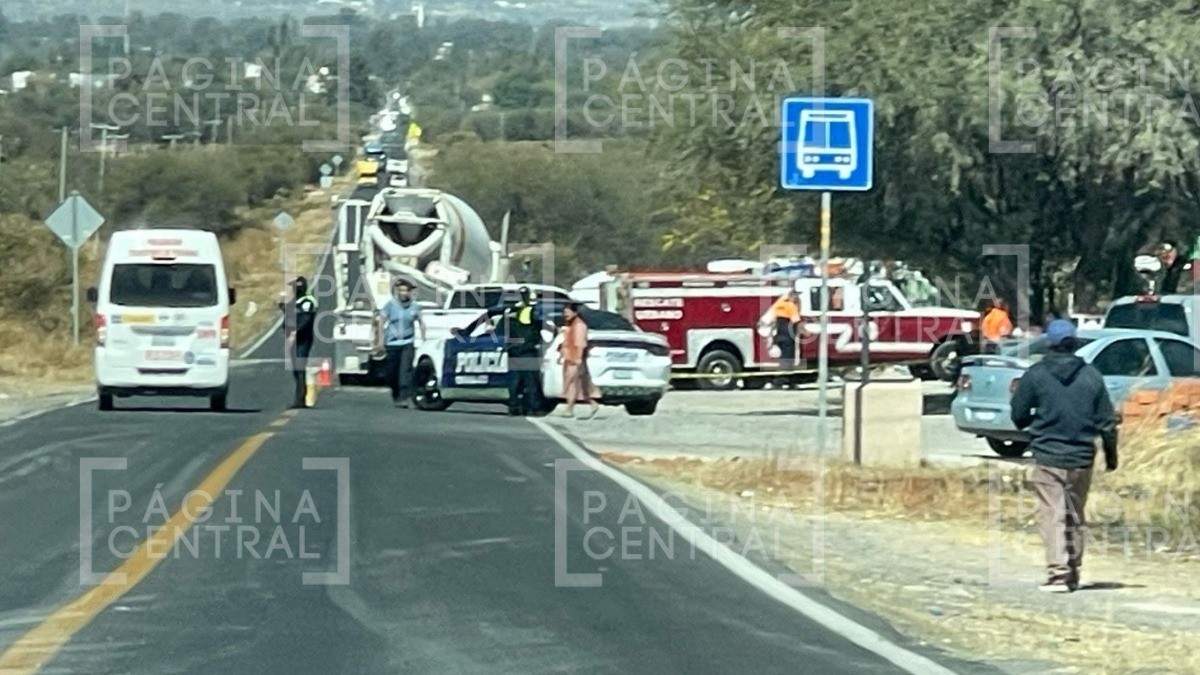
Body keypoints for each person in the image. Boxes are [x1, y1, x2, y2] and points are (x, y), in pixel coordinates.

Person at [1010, 319, 1118, 593]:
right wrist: (1111, 455)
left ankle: (1058, 574)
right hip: (1082, 457)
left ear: (1049, 343)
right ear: (1074, 343)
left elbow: (1018, 417)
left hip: (1048, 457)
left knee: (1053, 515)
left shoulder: (1036, 375)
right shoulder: (1092, 375)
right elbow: (1106, 420)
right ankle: (1073, 574)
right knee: (1075, 515)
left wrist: (1036, 415)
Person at [458, 286, 552, 416]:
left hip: (514, 350)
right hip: (526, 350)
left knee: (515, 381)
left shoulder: (508, 312)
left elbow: (490, 317)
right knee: (529, 381)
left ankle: (515, 406)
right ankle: (532, 407)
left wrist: (467, 331)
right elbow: (543, 325)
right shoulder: (529, 312)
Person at [379, 279, 426, 407]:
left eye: (406, 290)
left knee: (405, 371)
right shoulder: (390, 305)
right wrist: (380, 340)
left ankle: (404, 397)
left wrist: (423, 339)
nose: (403, 293)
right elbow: (381, 322)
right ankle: (395, 394)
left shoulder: (415, 306)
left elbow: (421, 323)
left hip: (407, 343)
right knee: (392, 373)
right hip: (392, 344)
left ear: (410, 292)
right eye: (401, 290)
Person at [558, 301, 600, 419]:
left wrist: (578, 358)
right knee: (579, 384)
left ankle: (569, 408)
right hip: (570, 357)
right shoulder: (570, 325)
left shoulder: (579, 325)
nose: (565, 314)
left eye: (567, 312)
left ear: (575, 312)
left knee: (571, 383)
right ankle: (591, 404)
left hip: (575, 358)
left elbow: (580, 343)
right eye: (564, 312)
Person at [283, 276, 317, 409]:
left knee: (299, 368)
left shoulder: (308, 301)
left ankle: (300, 399)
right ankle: (299, 398)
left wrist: (295, 332)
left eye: (295, 287)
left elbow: (305, 319)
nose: (293, 290)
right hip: (293, 339)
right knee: (296, 369)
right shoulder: (296, 301)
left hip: (303, 339)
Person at [769, 289, 803, 365]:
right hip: (788, 336)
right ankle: (786, 375)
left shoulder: (778, 305)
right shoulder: (791, 306)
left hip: (779, 335)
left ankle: (782, 373)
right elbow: (796, 321)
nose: (796, 298)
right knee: (788, 360)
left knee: (783, 358)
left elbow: (774, 320)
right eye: (795, 296)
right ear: (791, 296)